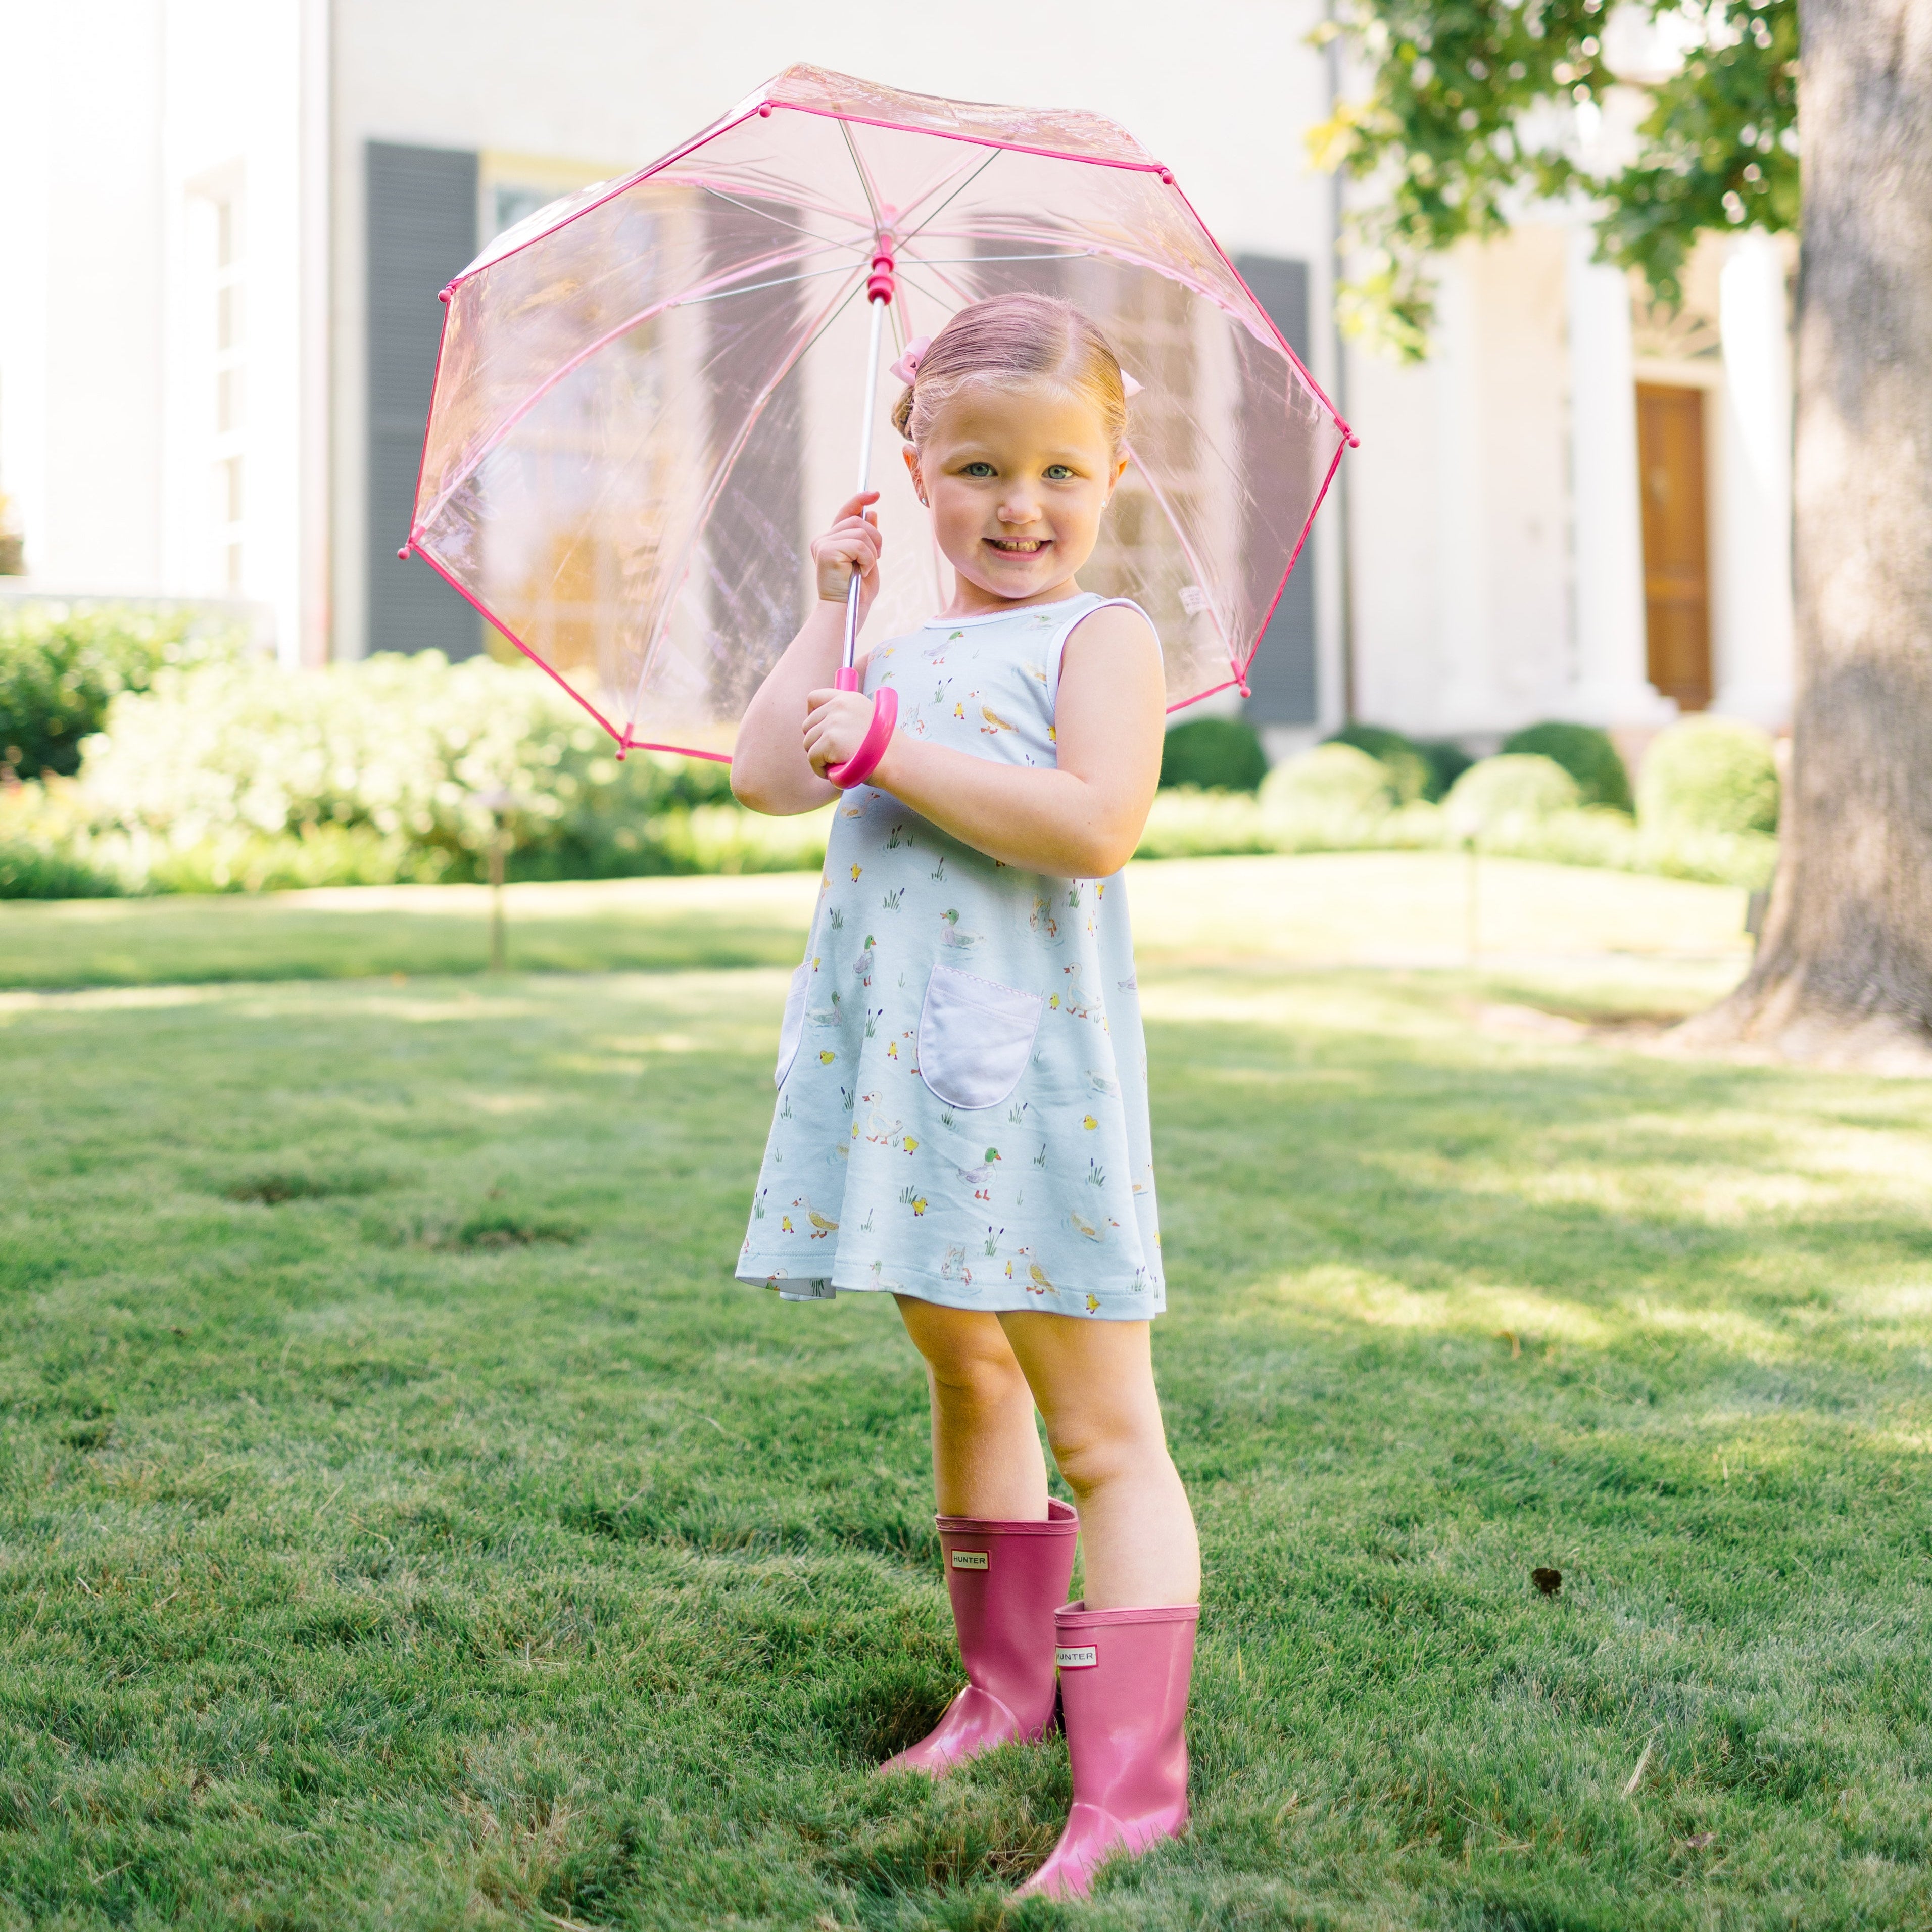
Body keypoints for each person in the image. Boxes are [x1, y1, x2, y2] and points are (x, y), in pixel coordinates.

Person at [730, 292, 1199, 1902]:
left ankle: (1131, 1789)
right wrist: (833, 611)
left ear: (1113, 474)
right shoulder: (895, 645)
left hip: (1028, 1085)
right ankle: (1002, 1695)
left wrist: (890, 750)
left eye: (1062, 472)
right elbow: (768, 773)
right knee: (967, 1373)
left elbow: (1094, 823)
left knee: (1103, 1428)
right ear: (918, 469)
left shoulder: (1100, 637)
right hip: (906, 1084)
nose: (1021, 507)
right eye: (982, 468)